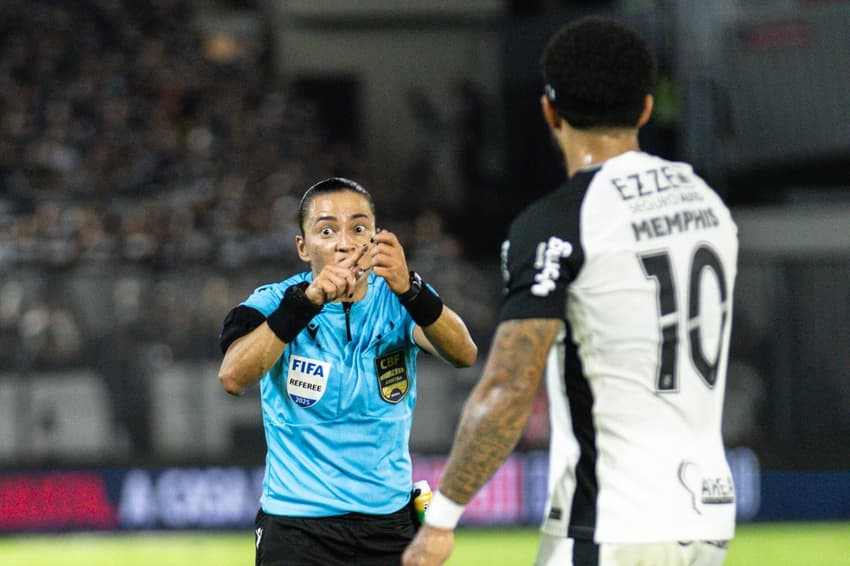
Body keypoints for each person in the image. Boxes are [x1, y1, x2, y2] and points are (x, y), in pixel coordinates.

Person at [403, 16, 738, 566]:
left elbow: (508, 386)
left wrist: (439, 520)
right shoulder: (707, 205)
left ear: (549, 111)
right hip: (706, 516)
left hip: (612, 518)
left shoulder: (560, 221)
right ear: (647, 108)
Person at [217, 177, 478, 565]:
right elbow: (233, 376)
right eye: (326, 230)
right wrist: (304, 305)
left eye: (359, 229)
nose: (344, 243)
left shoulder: (401, 299)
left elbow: (464, 353)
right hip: (296, 526)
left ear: (375, 239)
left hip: (389, 526)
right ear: (303, 247)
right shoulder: (272, 302)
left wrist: (412, 289)